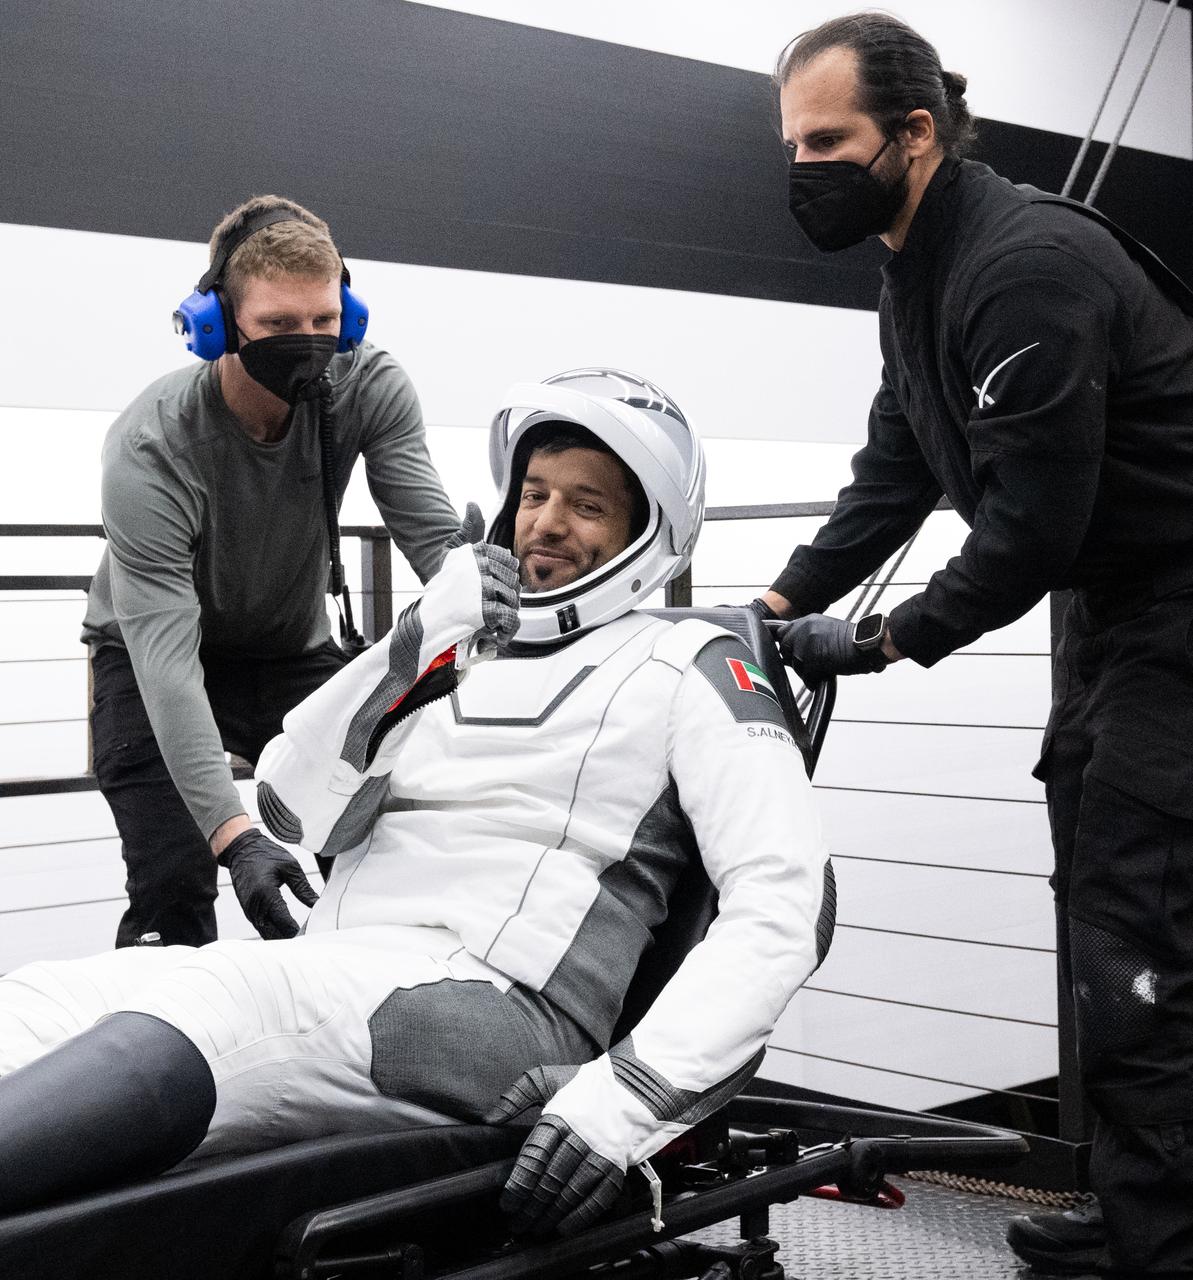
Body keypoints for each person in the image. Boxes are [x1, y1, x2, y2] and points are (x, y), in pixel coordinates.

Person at [0, 369, 832, 1237]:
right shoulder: (452, 656)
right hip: (350, 969)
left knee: (219, 1000)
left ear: (647, 533)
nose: (546, 522)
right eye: (535, 493)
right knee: (45, 998)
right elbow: (287, 809)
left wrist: (626, 1100)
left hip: (500, 1008)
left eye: (587, 506)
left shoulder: (692, 665)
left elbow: (786, 902)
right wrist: (420, 635)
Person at [755, 12, 1193, 1277]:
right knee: (1104, 918)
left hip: (1173, 609)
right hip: (1110, 616)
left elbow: (1027, 524)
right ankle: (1129, 1209)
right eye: (791, 143)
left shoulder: (1024, 267)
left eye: (826, 139)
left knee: (1139, 936)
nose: (802, 168)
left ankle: (1160, 1250)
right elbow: (894, 467)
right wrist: (781, 604)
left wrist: (887, 637)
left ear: (915, 132)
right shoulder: (917, 271)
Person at [81, 195, 461, 949]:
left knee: (369, 856)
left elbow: (433, 542)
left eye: (324, 321)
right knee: (174, 884)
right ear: (217, 324)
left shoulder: (369, 387)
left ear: (347, 315)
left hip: (290, 652)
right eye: (279, 325)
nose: (309, 342)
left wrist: (495, 595)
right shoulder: (152, 445)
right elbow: (166, 662)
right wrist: (236, 836)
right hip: (153, 658)